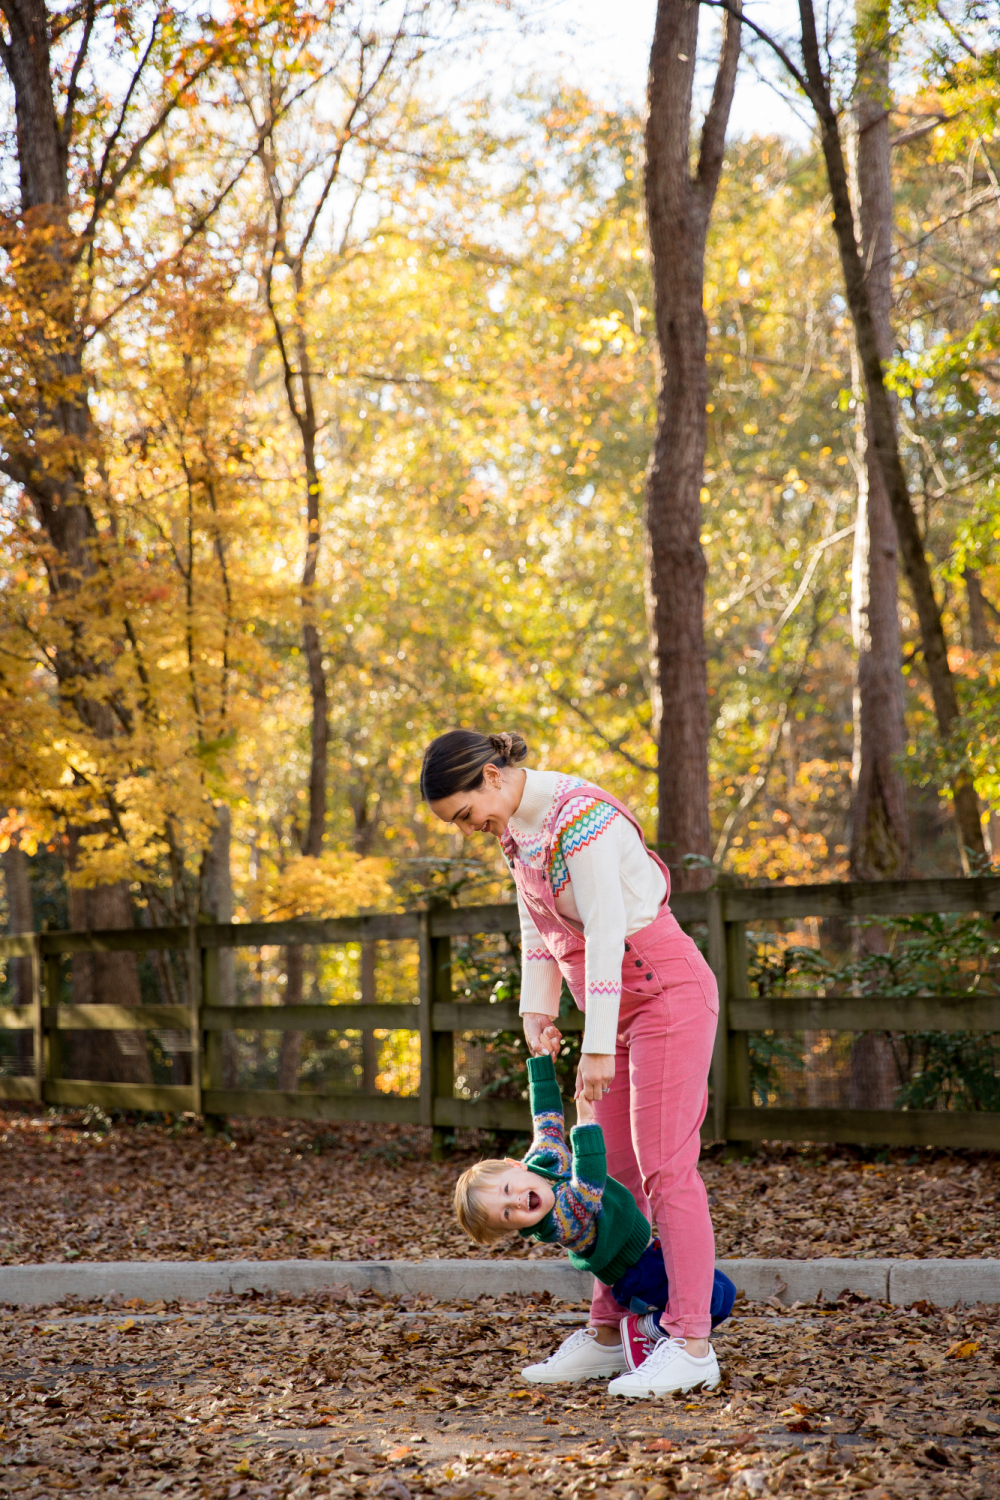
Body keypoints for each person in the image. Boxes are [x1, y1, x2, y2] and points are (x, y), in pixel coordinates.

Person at [421, 728, 723, 1399]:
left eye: (467, 814)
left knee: (665, 1166)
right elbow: (536, 923)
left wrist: (594, 1047)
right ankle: (609, 1335)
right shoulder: (517, 831)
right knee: (611, 1175)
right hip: (607, 1003)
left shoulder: (582, 820)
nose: (472, 828)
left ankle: (692, 1342)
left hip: (664, 992)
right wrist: (538, 1008)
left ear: (492, 776)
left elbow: (609, 931)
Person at [454, 1052, 734, 1395]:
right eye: (508, 1214)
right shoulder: (558, 1221)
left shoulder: (545, 1158)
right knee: (719, 1297)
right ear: (514, 1228)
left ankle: (639, 1330)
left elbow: (546, 1117)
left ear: (516, 1165)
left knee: (714, 1288)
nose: (515, 1202)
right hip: (636, 1274)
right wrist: (586, 1124)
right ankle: (648, 1329)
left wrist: (539, 1060)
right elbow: (588, 1184)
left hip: (648, 1253)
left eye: (508, 1190)